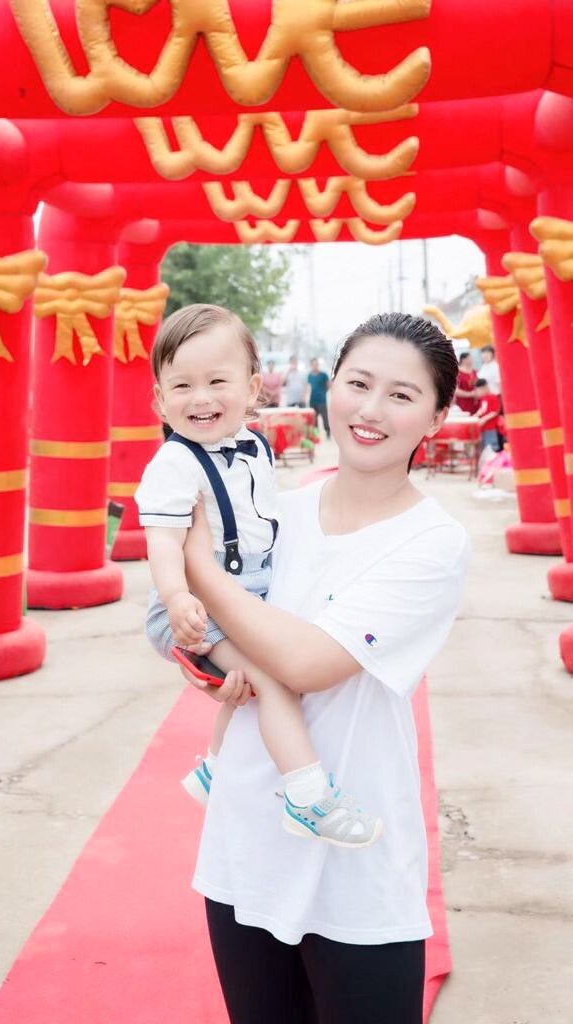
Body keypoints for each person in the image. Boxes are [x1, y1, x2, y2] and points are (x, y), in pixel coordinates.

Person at [176, 312, 469, 1023]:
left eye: (401, 396)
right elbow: (201, 634)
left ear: (434, 418)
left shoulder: (433, 543)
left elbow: (308, 663)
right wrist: (208, 658)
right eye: (358, 384)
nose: (370, 411)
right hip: (245, 838)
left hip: (355, 862)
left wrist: (189, 560)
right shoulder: (274, 512)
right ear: (328, 387)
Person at [136, 304, 381, 846]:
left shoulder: (254, 447)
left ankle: (213, 770)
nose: (200, 398)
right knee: (274, 682)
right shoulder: (173, 466)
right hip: (192, 604)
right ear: (159, 399)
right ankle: (308, 798)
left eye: (217, 381)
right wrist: (177, 598)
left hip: (246, 593)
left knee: (249, 683)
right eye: (181, 386)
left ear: (252, 390)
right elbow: (162, 541)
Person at [474, 377, 500, 450]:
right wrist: (476, 415)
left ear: (484, 388)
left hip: (490, 427)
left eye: (478, 391)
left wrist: (484, 419)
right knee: (484, 447)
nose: (478, 393)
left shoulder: (493, 397)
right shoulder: (483, 398)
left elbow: (495, 412)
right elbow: (482, 409)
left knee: (491, 447)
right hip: (483, 428)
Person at [307, 357, 330, 438]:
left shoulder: (324, 375)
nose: (315, 366)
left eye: (316, 364)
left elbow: (328, 385)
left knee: (325, 417)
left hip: (322, 400)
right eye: (313, 364)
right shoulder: (309, 375)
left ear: (318, 365)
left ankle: (328, 432)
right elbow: (308, 387)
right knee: (314, 419)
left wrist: (323, 392)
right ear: (311, 365)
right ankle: (316, 435)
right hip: (312, 401)